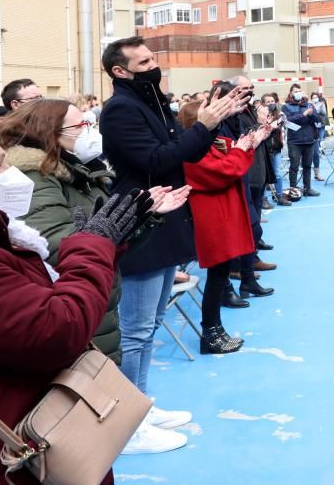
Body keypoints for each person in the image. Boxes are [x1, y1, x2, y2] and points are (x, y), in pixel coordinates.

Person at [0, 105, 148, 485]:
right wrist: (92, 246)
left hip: (13, 427)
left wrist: (108, 243)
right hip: (0, 453)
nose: (11, 172)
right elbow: (57, 329)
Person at [98, 35, 249, 454]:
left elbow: (184, 154)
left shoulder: (151, 102)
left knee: (152, 325)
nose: (154, 64)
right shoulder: (121, 111)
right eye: (144, 60)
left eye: (152, 58)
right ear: (120, 71)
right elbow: (157, 161)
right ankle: (128, 422)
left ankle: (141, 406)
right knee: (137, 330)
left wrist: (208, 124)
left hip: (166, 221)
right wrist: (203, 125)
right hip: (143, 224)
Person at [0, 100, 130, 362]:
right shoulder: (35, 178)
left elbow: (104, 231)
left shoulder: (83, 172)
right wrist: (103, 238)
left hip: (97, 294)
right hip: (74, 299)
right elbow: (56, 247)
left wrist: (140, 219)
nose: (90, 131)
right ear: (50, 132)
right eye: (81, 125)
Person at [177, 101, 269, 353]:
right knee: (217, 278)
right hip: (213, 220)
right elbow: (226, 169)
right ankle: (210, 332)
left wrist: (252, 141)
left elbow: (232, 154)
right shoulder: (192, 153)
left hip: (222, 216)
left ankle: (215, 329)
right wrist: (243, 149)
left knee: (221, 276)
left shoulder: (206, 144)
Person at [214, 78, 275, 304]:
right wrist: (252, 139)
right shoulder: (218, 124)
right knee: (237, 235)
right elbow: (228, 154)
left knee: (252, 230)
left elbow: (244, 145)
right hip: (230, 182)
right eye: (236, 97)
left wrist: (259, 134)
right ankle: (228, 285)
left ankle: (247, 279)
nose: (241, 100)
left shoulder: (235, 119)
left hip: (244, 176)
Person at [283, 86, 321, 197]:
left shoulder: (309, 105)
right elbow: (287, 120)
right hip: (294, 141)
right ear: (291, 93)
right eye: (296, 91)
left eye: (300, 91)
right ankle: (293, 189)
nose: (298, 93)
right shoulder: (286, 107)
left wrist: (311, 113)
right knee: (294, 166)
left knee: (307, 166)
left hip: (309, 140)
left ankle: (307, 188)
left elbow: (318, 119)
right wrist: (303, 115)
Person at [260, 92, 292, 206]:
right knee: (264, 175)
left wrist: (278, 120)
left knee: (277, 174)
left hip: (276, 149)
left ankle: (279, 196)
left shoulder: (280, 115)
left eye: (272, 101)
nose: (270, 103)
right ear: (263, 103)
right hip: (263, 149)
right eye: (267, 102)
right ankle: (263, 199)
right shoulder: (259, 115)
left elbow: (283, 125)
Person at [309, 91, 328, 181]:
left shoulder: (321, 104)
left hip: (317, 130)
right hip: (307, 133)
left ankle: (317, 173)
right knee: (306, 155)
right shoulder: (308, 105)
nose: (315, 99)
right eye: (313, 97)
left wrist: (321, 106)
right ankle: (305, 173)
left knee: (316, 153)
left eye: (316, 97)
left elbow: (323, 113)